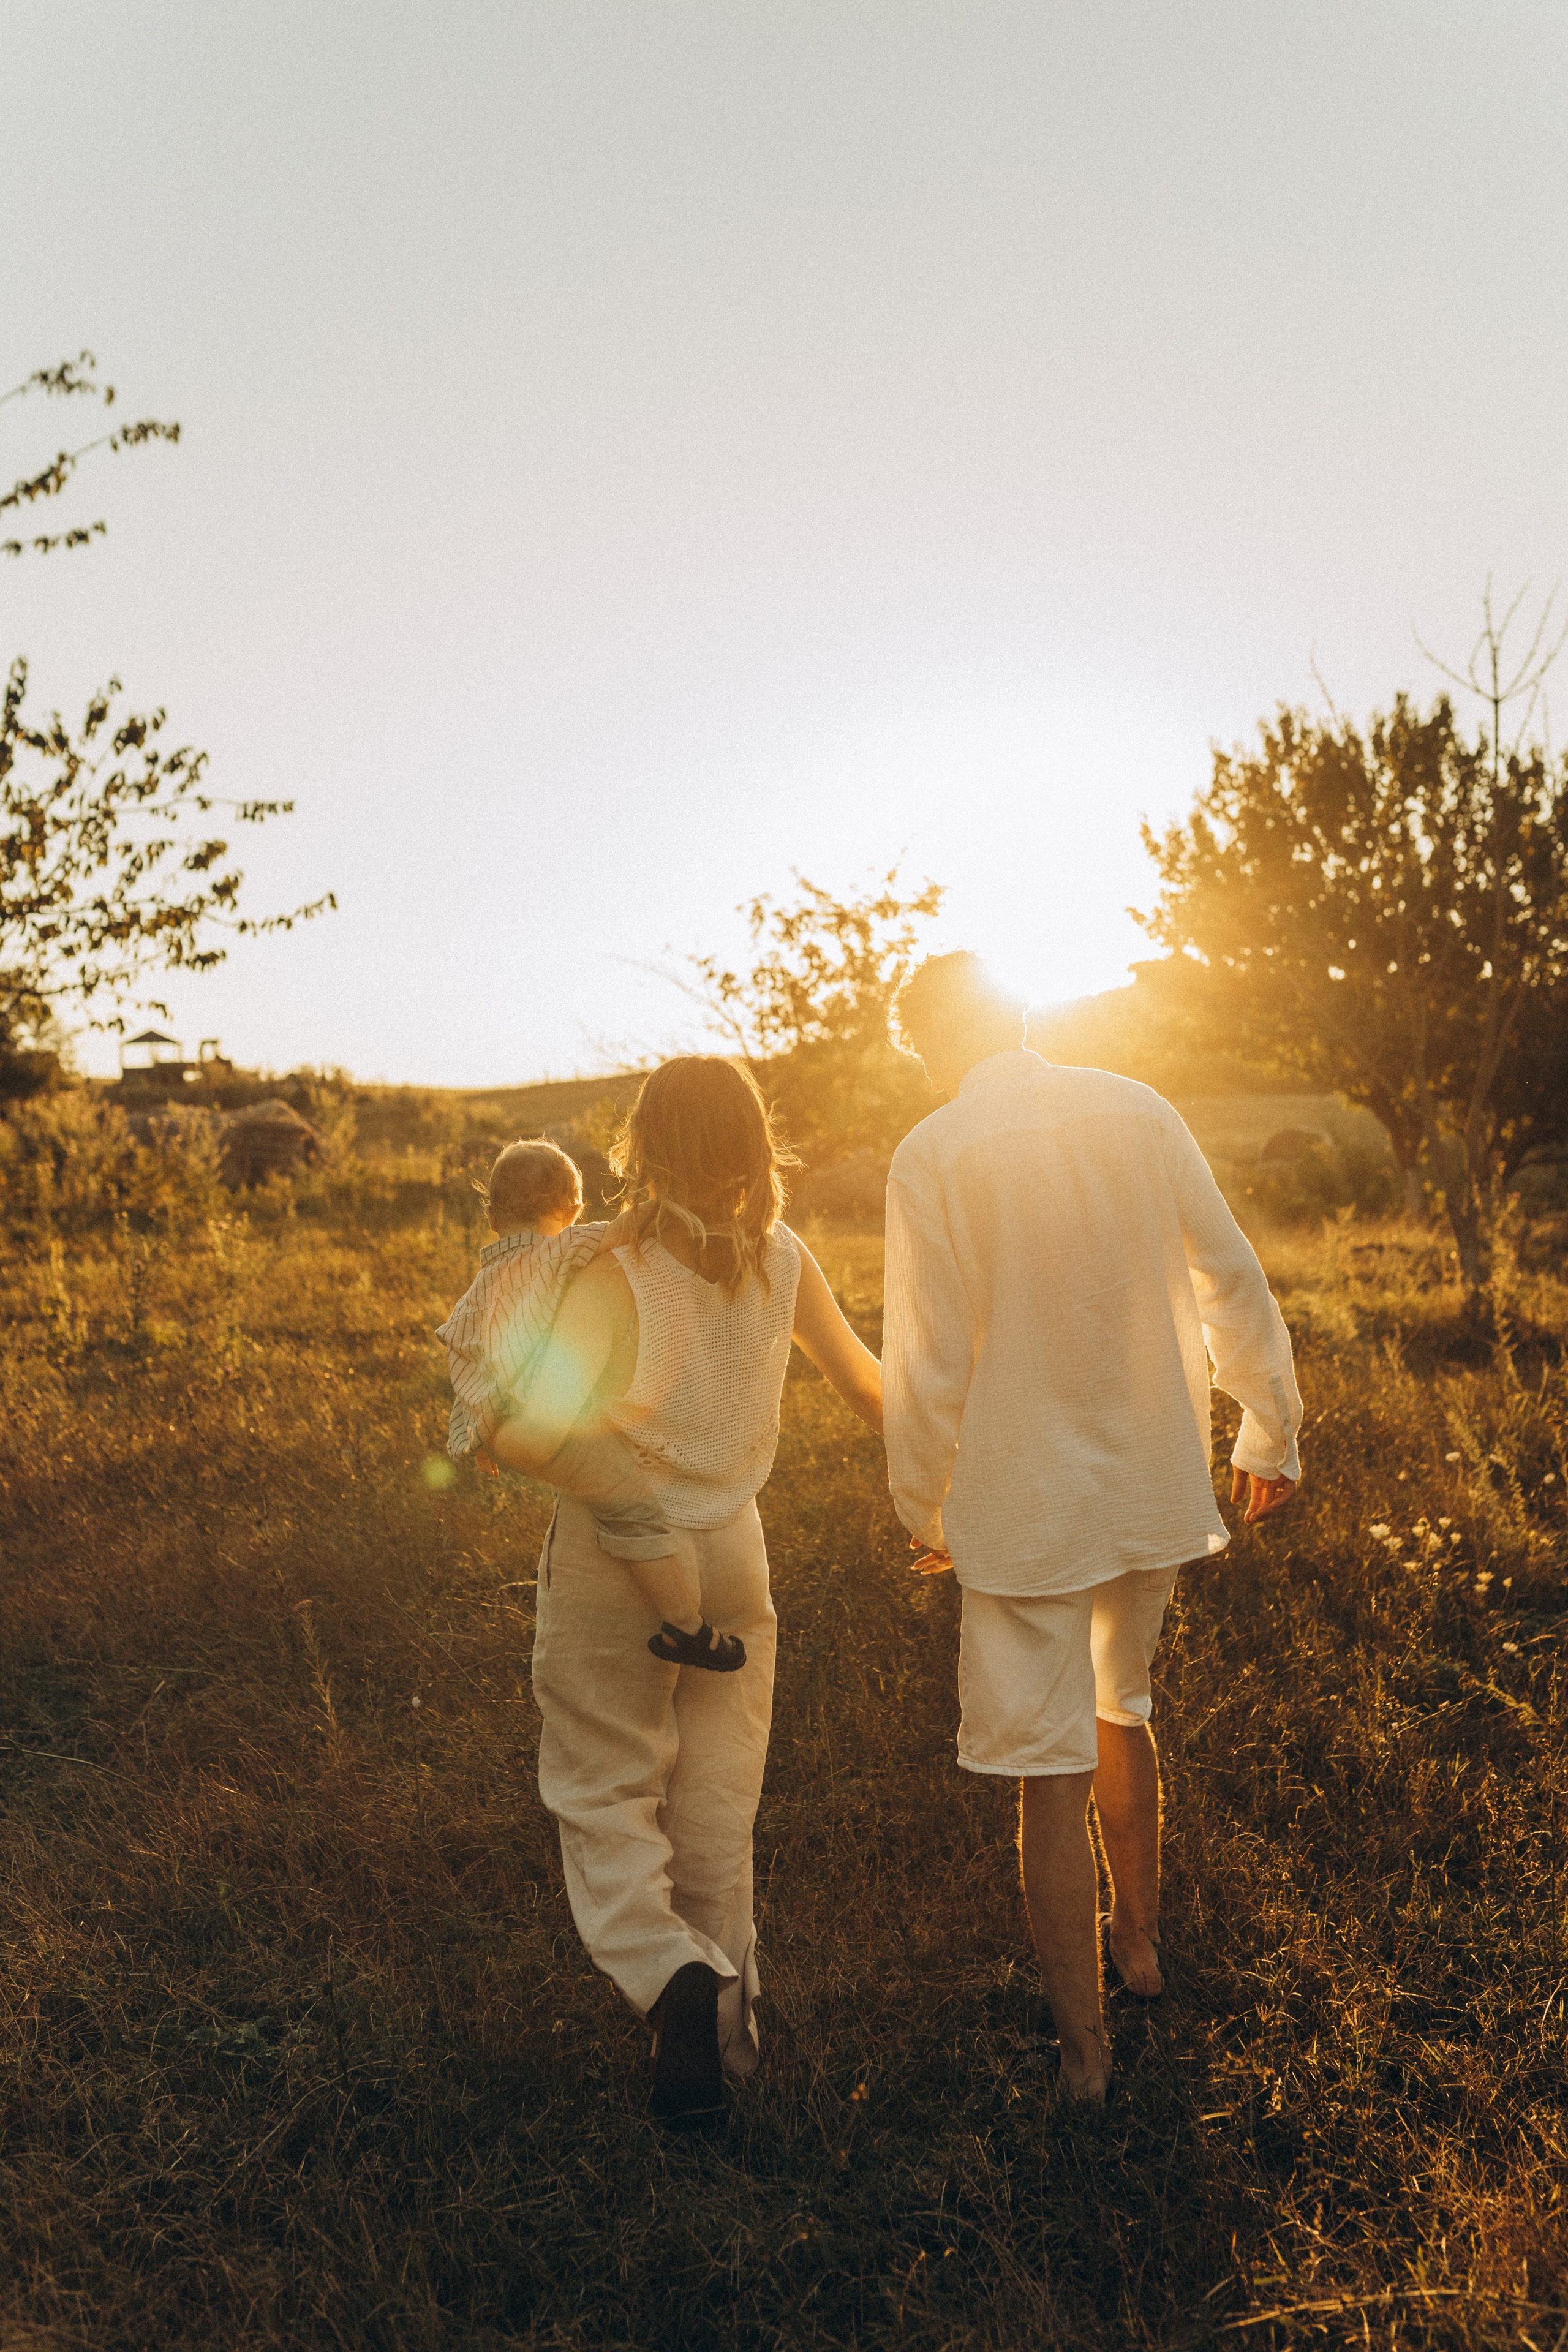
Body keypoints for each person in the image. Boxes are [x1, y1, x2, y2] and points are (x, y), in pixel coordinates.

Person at [881, 951, 1302, 2102]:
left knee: (1047, 1770)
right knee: (1126, 1702)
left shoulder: (935, 1153)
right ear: (1020, 1013)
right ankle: (1143, 1953)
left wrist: (924, 1503)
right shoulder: (1139, 1109)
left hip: (1022, 1501)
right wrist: (1267, 1429)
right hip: (1150, 1478)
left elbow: (924, 1360)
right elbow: (1230, 1273)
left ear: (919, 1044)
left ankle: (1084, 2059)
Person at [484, 1058, 883, 2125]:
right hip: (737, 1553)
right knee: (718, 1804)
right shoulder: (785, 1259)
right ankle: (732, 2048)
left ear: (643, 1146)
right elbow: (868, 1386)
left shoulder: (616, 1276)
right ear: (756, 1148)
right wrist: (955, 1480)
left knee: (604, 1784)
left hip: (625, 1554)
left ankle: (669, 1973)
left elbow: (529, 1429)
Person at [437, 1136, 741, 1668]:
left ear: (490, 1214)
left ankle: (675, 1618)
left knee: (608, 1500)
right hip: (559, 1417)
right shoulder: (569, 1248)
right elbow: (637, 1226)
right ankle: (685, 1624)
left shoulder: (478, 1290)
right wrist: (682, 1196)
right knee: (630, 1504)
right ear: (574, 1206)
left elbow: (465, 1359)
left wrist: (481, 1429)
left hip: (510, 1422)